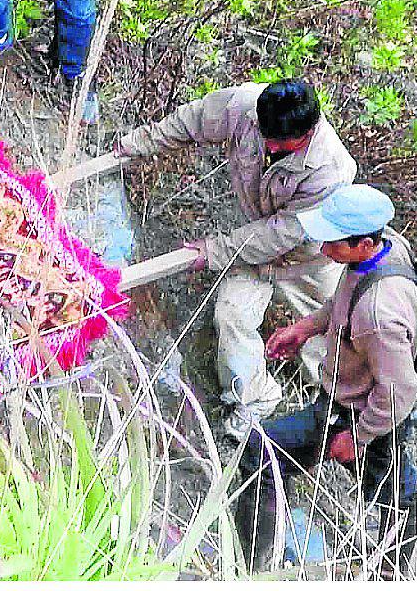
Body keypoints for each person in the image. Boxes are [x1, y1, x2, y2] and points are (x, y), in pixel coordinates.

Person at [113, 79, 356, 440]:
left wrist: (213, 251)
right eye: (265, 136)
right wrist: (137, 144)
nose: (269, 146)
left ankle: (337, 405)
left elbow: (280, 235)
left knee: (332, 326)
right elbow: (193, 120)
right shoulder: (245, 107)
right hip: (257, 243)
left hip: (312, 258)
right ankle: (255, 397)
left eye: (280, 144)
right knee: (232, 316)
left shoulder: (330, 171)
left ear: (307, 132)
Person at [234, 184, 417, 577]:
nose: (323, 251)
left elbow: (401, 389)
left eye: (333, 243)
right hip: (347, 405)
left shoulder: (379, 317)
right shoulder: (387, 250)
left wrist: (360, 437)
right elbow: (345, 300)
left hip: (360, 415)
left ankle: (254, 568)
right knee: (394, 496)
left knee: (263, 453)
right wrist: (306, 327)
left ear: (364, 244)